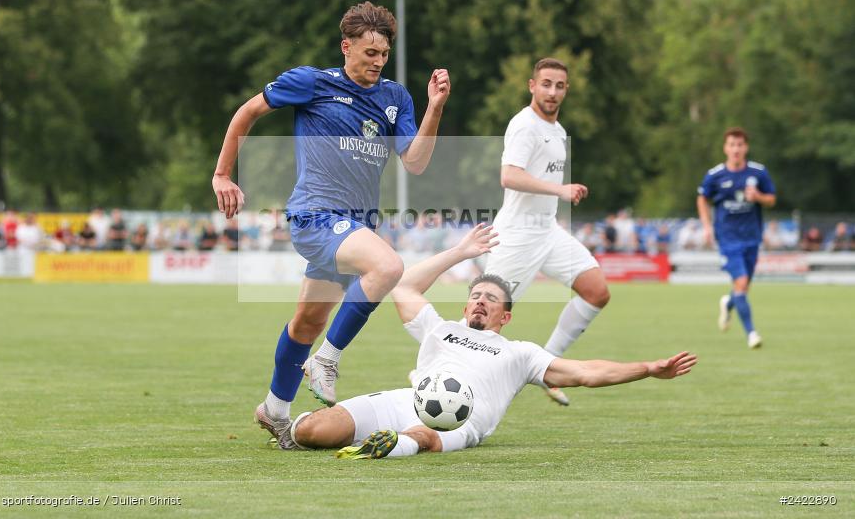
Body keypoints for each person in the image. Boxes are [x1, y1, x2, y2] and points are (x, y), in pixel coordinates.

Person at [210, 1, 450, 446]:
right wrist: (223, 174)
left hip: (354, 228)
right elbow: (247, 112)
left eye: (384, 54)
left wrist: (434, 108)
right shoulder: (312, 82)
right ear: (346, 47)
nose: (378, 62)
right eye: (369, 53)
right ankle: (327, 360)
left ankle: (274, 410)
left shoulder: (395, 97)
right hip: (315, 216)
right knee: (388, 267)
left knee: (307, 322)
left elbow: (415, 162)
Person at [286, 224, 697, 458]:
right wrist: (460, 252)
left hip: (460, 420)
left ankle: (388, 447)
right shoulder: (440, 328)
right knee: (311, 433)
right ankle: (306, 427)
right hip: (407, 399)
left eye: (492, 299)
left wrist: (648, 369)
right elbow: (404, 286)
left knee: (423, 437)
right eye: (476, 295)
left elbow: (587, 373)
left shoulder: (521, 353)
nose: (481, 301)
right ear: (467, 305)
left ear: (506, 316)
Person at [483, 58, 610, 407]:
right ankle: (432, 368)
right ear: (532, 86)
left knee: (596, 291)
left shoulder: (557, 130)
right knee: (483, 319)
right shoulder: (525, 125)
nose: (552, 92)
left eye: (559, 86)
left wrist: (559, 196)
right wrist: (561, 190)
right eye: (546, 84)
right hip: (517, 236)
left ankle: (547, 368)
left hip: (548, 232)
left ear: (566, 90)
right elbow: (509, 176)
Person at [697, 127, 776, 349]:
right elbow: (702, 198)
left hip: (752, 238)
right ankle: (752, 333)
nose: (736, 149)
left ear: (746, 147)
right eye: (732, 145)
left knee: (743, 287)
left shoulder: (758, 172)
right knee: (741, 282)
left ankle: (728, 302)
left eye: (740, 145)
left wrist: (758, 196)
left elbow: (771, 199)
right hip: (728, 239)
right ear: (725, 148)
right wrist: (706, 226)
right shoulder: (715, 175)